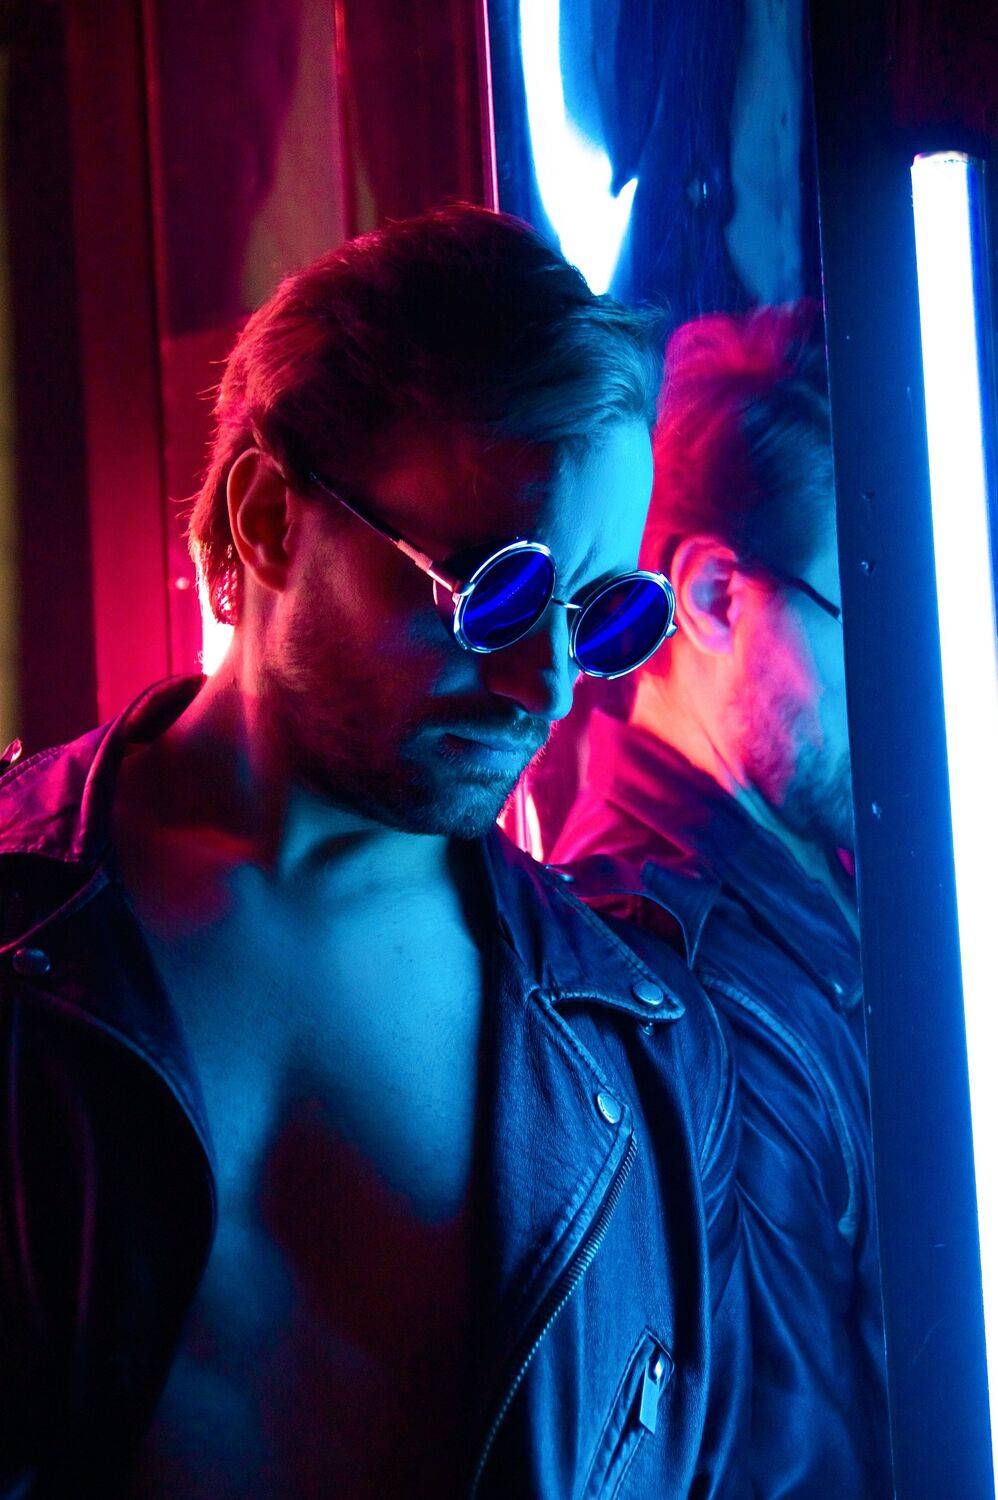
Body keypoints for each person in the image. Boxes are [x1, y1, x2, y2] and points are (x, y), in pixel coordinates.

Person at [0, 208, 749, 1498]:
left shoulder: (646, 1047)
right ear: (266, 522)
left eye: (598, 614)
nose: (545, 689)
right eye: (494, 590)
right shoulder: (20, 934)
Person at [552, 304, 892, 1494]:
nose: (905, 686)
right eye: (867, 623)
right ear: (708, 598)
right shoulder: (675, 986)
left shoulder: (813, 880)